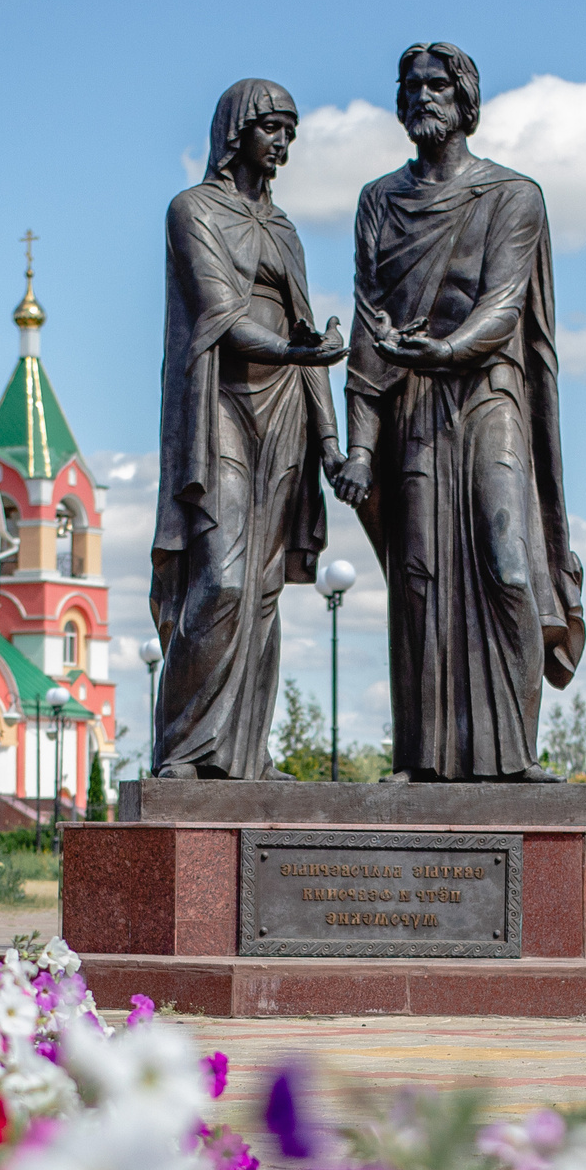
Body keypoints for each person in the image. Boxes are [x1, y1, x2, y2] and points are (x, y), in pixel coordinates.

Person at [333, 43, 585, 781]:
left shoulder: (512, 196)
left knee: (509, 566)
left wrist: (442, 354)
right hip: (410, 405)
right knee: (418, 581)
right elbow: (367, 327)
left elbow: (504, 307)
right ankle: (422, 759)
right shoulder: (378, 200)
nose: (420, 97)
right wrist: (358, 447)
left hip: (486, 394)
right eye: (408, 87)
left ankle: (513, 757)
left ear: (466, 99)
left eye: (436, 86)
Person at [151, 78, 347, 778]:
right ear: (238, 132)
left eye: (292, 132)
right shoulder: (193, 211)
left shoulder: (286, 230)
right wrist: (302, 350)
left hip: (285, 413)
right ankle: (181, 748)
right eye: (273, 129)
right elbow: (220, 316)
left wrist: (332, 447)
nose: (284, 144)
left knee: (263, 596)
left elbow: (309, 336)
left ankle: (244, 758)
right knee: (223, 581)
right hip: (222, 410)